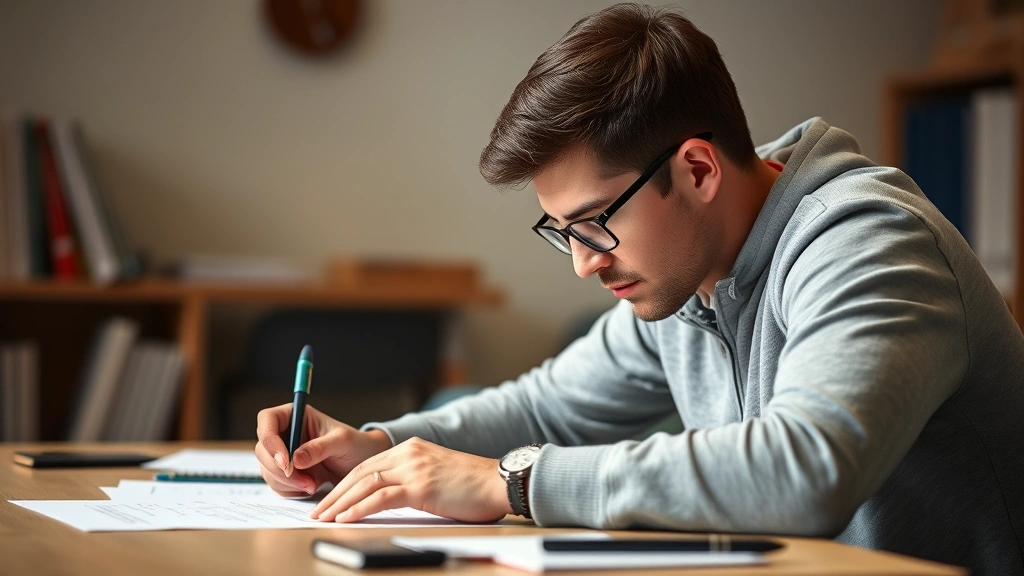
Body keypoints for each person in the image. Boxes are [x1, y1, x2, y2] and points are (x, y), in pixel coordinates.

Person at [255, 4, 1024, 574]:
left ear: (696, 169)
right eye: (563, 232)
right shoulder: (686, 275)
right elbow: (545, 405)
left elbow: (806, 467)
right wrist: (375, 448)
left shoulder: (868, 241)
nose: (584, 264)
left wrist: (514, 484)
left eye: (594, 224)